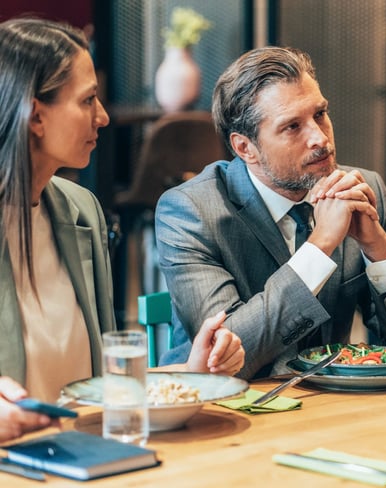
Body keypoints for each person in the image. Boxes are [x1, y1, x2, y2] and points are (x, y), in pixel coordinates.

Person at [0, 18, 244, 442]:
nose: (104, 117)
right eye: (88, 100)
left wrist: (190, 373)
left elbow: (93, 382)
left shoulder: (81, 211)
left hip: (84, 454)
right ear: (36, 115)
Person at [155, 46, 386, 379]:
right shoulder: (191, 210)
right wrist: (320, 246)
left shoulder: (360, 191)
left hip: (326, 408)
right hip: (217, 411)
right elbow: (226, 358)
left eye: (320, 114)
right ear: (245, 148)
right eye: (292, 127)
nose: (320, 138)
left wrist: (377, 248)